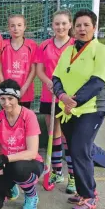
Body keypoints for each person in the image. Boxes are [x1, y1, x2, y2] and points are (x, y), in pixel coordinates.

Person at [52, 9, 105, 209]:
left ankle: (89, 196)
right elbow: (56, 78)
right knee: (75, 150)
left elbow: (97, 82)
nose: (81, 29)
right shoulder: (68, 51)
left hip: (91, 109)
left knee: (80, 149)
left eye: (86, 25)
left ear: (94, 27)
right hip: (69, 110)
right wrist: (62, 97)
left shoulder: (102, 51)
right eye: (78, 25)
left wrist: (74, 101)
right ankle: (82, 191)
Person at [0, 79, 43, 209]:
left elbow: (32, 153)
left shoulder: (29, 116)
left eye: (10, 98)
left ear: (17, 97)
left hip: (29, 164)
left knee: (18, 168)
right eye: (2, 99)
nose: (6, 103)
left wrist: (4, 159)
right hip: (7, 165)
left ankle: (31, 195)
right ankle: (13, 185)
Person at [35, 10, 76, 194]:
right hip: (49, 95)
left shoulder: (76, 44)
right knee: (54, 133)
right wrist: (50, 83)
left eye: (64, 23)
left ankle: (73, 176)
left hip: (69, 96)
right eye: (57, 23)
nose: (60, 27)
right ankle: (57, 171)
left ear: (70, 25)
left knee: (70, 136)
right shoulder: (44, 45)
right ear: (52, 25)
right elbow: (40, 71)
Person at [0, 14, 38, 108]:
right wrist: (4, 87)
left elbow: (34, 70)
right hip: (6, 92)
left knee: (23, 118)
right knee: (7, 118)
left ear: (25, 27)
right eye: (12, 26)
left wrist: (24, 88)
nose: (16, 28)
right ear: (9, 28)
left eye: (19, 25)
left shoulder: (32, 45)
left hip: (25, 92)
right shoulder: (2, 45)